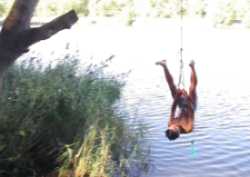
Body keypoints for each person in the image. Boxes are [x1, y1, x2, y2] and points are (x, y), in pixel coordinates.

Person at [156, 60, 197, 140]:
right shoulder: (187, 127)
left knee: (172, 88)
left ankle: (164, 66)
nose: (172, 126)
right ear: (177, 130)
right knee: (192, 88)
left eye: (170, 128)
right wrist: (187, 98)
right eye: (173, 128)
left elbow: (173, 109)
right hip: (191, 106)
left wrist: (177, 97)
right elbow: (191, 112)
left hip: (181, 106)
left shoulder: (170, 124)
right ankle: (192, 67)